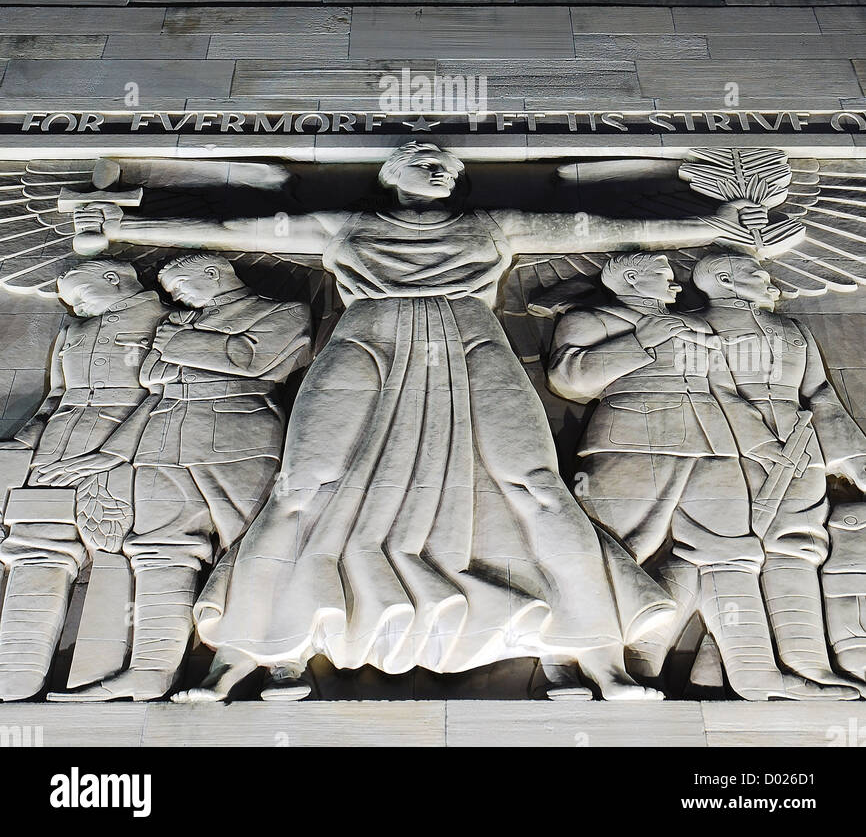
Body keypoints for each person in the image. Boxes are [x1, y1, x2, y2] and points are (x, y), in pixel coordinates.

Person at [69, 141, 766, 701]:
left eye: (452, 164)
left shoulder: (490, 226)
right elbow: (229, 231)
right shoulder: (348, 227)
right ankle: (249, 654)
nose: (444, 167)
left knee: (535, 485)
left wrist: (711, 227)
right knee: (301, 489)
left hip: (469, 346)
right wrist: (126, 227)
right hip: (366, 346)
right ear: (392, 170)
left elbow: (608, 230)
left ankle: (596, 653)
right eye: (427, 157)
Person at [548, 250, 858, 700]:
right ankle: (560, 663)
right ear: (631, 277)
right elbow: (571, 379)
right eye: (662, 275)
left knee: (733, 555)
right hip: (632, 445)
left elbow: (719, 392)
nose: (677, 285)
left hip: (712, 447)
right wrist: (639, 342)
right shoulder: (592, 318)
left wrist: (760, 444)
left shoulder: (695, 326)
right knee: (609, 551)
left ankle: (755, 672)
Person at [47, 252, 310, 702]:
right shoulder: (180, 324)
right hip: (161, 441)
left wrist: (176, 343)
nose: (176, 298)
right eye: (172, 294)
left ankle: (284, 662)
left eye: (182, 286)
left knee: (258, 547)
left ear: (214, 273)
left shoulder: (280, 311)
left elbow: (250, 359)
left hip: (238, 438)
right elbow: (157, 387)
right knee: (157, 553)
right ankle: (151, 670)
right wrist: (112, 452)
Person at [694, 252, 866, 693]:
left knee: (798, 546)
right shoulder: (697, 327)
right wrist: (758, 443)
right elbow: (709, 390)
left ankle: (808, 661)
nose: (768, 279)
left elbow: (820, 392)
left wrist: (853, 459)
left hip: (800, 443)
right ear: (724, 278)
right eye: (756, 272)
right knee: (735, 554)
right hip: (728, 449)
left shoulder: (793, 330)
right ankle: (743, 666)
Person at [0, 260, 163, 701]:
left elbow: (168, 395)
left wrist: (110, 454)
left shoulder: (168, 321)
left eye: (80, 293)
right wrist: (26, 444)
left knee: (114, 553)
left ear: (113, 279)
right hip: (58, 444)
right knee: (37, 547)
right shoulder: (73, 331)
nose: (74, 305)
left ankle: (98, 675)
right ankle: (18, 671)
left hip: (128, 445)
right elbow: (55, 396)